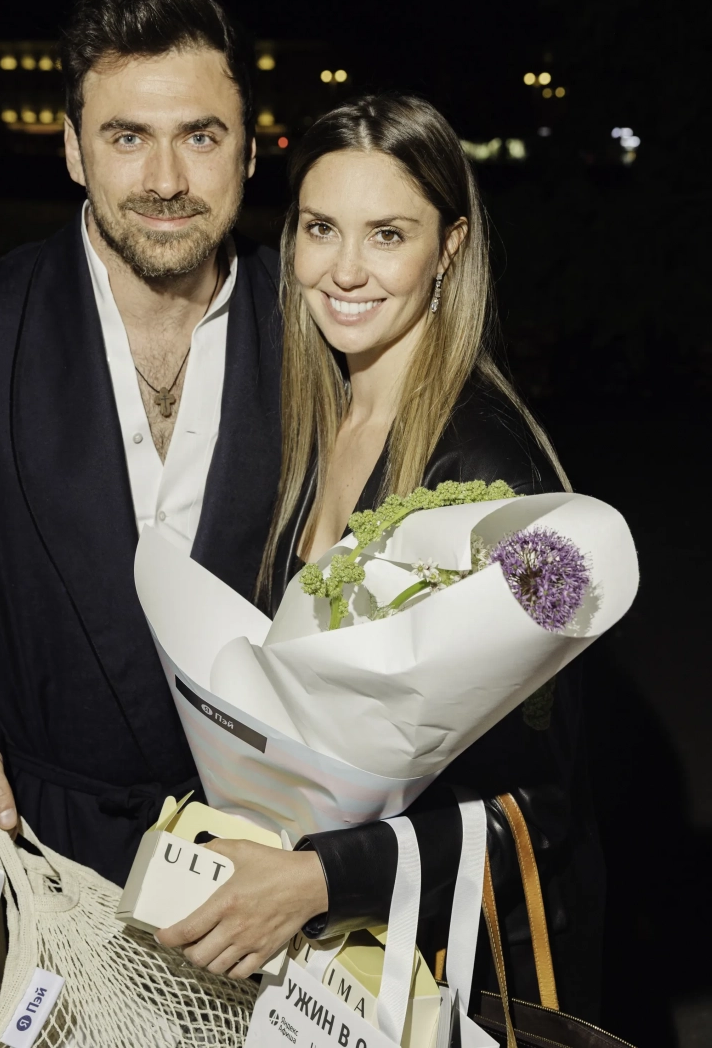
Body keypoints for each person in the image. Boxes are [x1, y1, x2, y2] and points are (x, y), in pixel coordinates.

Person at [157, 94, 604, 1020]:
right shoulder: (321, 417)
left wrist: (319, 878)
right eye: (321, 227)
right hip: (340, 966)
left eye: (388, 234)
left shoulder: (487, 472)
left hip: (457, 974)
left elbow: (541, 803)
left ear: (449, 246)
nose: (346, 270)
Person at [0, 0, 286, 888]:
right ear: (72, 150)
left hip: (267, 852)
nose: (166, 180)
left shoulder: (319, 336)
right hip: (44, 853)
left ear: (250, 151)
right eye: (127, 137)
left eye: (201, 136)